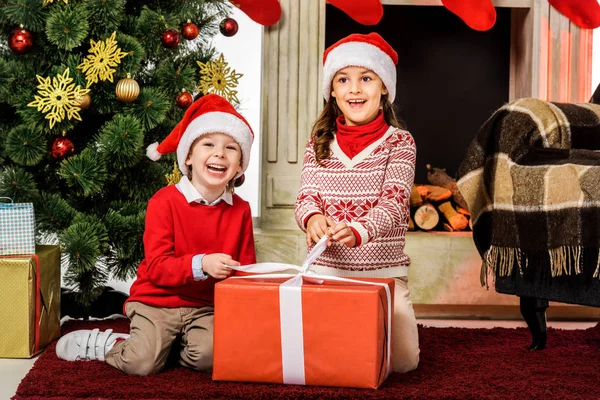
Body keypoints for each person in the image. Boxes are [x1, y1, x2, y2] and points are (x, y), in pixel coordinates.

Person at [55, 94, 256, 375]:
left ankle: (165, 346)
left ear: (239, 164)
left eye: (231, 148)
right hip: (157, 300)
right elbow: (158, 267)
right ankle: (112, 344)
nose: (220, 154)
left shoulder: (241, 210)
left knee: (210, 358)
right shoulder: (164, 202)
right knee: (141, 364)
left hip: (206, 306)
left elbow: (245, 268)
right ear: (188, 155)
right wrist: (202, 264)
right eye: (208, 144)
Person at [295, 32, 419, 373]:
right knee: (324, 357)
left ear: (384, 88)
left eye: (366, 78)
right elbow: (306, 197)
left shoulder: (400, 143)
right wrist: (313, 219)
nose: (354, 89)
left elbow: (394, 203)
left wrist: (359, 229)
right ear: (332, 91)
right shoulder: (318, 143)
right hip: (329, 273)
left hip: (383, 276)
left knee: (404, 363)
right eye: (343, 80)